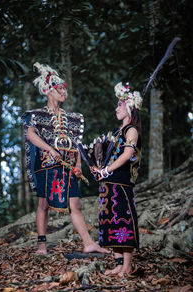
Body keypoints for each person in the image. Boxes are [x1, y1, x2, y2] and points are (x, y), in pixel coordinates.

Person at [22, 62, 109, 255]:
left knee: (75, 204)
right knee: (44, 204)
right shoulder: (36, 115)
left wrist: (78, 164)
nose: (63, 92)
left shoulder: (72, 117)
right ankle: (42, 246)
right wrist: (50, 149)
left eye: (63, 89)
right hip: (46, 164)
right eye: (59, 89)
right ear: (48, 92)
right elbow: (31, 135)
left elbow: (76, 143)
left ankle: (88, 243)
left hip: (68, 164)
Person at [90, 82, 142, 277]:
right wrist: (98, 169)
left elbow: (127, 154)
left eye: (119, 104)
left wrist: (106, 171)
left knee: (123, 221)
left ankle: (127, 266)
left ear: (130, 107)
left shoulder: (132, 130)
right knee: (110, 223)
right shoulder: (114, 133)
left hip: (121, 184)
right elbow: (105, 157)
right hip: (107, 186)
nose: (116, 108)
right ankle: (119, 264)